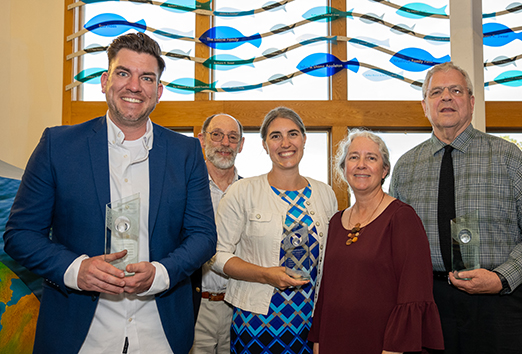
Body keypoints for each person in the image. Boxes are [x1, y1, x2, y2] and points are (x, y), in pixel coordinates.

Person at [3, 32, 217, 354]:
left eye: (146, 78)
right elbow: (20, 234)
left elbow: (203, 236)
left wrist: (160, 273)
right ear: (105, 81)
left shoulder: (186, 152)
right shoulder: (58, 146)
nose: (134, 86)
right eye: (123, 73)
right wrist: (77, 269)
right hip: (77, 333)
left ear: (158, 91)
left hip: (161, 333)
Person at [389, 61, 522, 354]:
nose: (446, 97)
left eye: (455, 90)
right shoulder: (406, 167)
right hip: (433, 307)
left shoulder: (507, 157)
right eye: (436, 92)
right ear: (425, 106)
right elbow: (396, 244)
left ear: (471, 102)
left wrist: (502, 278)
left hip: (503, 306)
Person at [212, 107, 338, 354]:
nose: (285, 143)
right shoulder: (241, 192)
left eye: (292, 134)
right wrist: (265, 275)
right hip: (256, 321)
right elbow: (218, 256)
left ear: (303, 139)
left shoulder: (326, 194)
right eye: (275, 136)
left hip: (310, 320)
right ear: (264, 144)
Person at [308, 129, 444, 354]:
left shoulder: (402, 217)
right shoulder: (335, 222)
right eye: (353, 157)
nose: (361, 164)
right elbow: (328, 290)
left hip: (383, 344)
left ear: (385, 170)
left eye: (371, 158)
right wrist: (319, 341)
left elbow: (415, 290)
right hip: (335, 339)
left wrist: (394, 348)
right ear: (344, 169)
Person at [191, 113, 245, 354]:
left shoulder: (251, 192)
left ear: (241, 145)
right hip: (195, 308)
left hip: (240, 309)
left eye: (232, 137)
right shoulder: (185, 188)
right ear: (202, 139)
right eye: (217, 135)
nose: (225, 143)